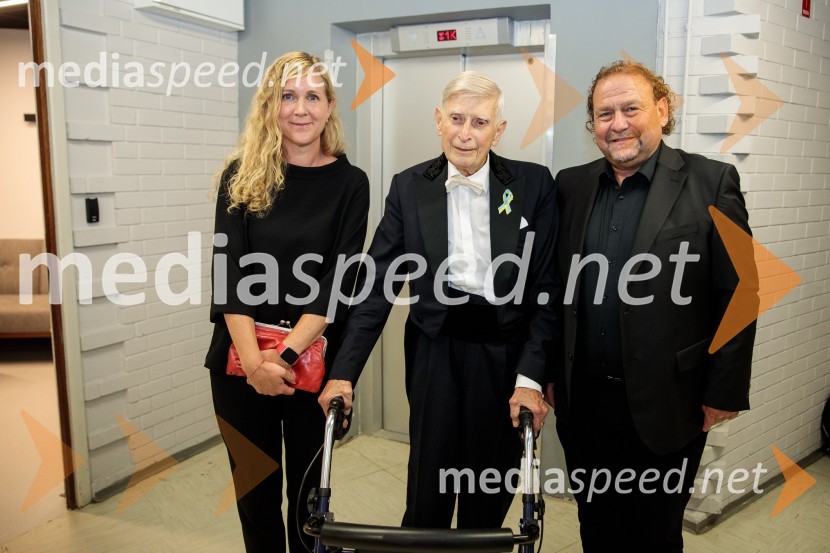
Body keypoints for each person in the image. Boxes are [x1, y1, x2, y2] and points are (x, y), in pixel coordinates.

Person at [318, 71, 559, 529]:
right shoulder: (409, 187)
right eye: (456, 118)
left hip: (505, 354)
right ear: (438, 120)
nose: (465, 133)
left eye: (480, 122)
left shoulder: (534, 184)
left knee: (488, 491)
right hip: (434, 351)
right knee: (428, 486)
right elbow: (376, 287)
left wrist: (530, 377)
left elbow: (546, 290)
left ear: (499, 130)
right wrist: (342, 374)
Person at [552, 60, 757, 552]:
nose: (617, 123)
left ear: (662, 111)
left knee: (654, 532)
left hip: (670, 401)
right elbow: (555, 289)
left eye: (631, 109)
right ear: (592, 126)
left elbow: (741, 290)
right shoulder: (571, 185)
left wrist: (722, 391)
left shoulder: (711, 181)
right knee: (595, 523)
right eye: (604, 114)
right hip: (585, 404)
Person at [204, 51, 369, 553]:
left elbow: (334, 284)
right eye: (288, 96)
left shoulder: (350, 183)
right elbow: (228, 275)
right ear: (270, 106)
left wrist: (286, 357)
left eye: (312, 96)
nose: (301, 108)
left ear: (329, 107)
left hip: (311, 364)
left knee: (307, 500)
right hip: (239, 364)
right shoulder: (241, 175)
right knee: (254, 497)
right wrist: (255, 362)